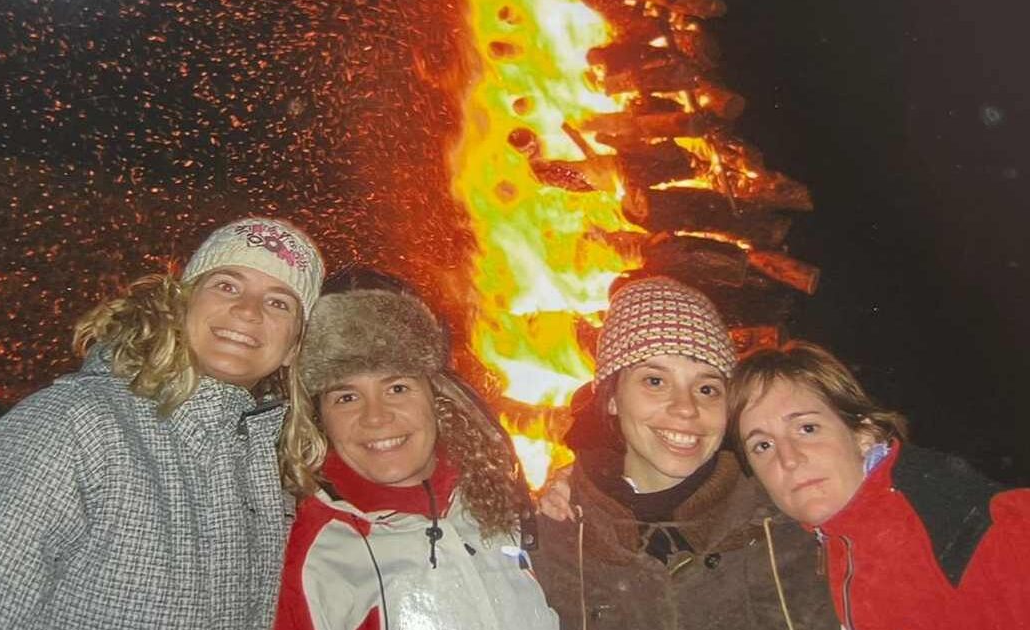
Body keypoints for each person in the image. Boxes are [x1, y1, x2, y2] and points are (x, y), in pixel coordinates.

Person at [0, 217, 325, 630]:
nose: (248, 311)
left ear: (292, 348)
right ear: (180, 304)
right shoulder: (70, 428)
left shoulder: (268, 476)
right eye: (226, 285)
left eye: (278, 302)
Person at [532, 276, 835, 630]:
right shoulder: (558, 539)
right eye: (655, 381)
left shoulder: (785, 514)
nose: (686, 408)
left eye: (707, 388)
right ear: (612, 398)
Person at [276, 287, 559, 630]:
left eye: (397, 388)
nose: (376, 417)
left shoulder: (496, 501)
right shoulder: (316, 552)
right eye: (347, 397)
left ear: (435, 397)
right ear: (321, 418)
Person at [728, 340, 1030, 630]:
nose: (788, 459)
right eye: (762, 446)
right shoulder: (795, 548)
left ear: (863, 434)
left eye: (807, 428)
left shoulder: (972, 521)